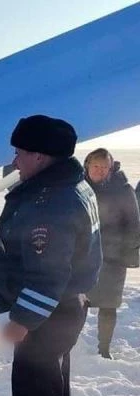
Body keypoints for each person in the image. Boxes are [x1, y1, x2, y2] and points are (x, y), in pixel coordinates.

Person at [0, 115, 101, 396]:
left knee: (34, 394)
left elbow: (47, 275)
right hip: (67, 306)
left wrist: (22, 321)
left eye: (20, 152)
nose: (15, 160)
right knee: (54, 384)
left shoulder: (51, 204)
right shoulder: (69, 183)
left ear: (40, 156)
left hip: (49, 311)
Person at [83, 150, 140, 358]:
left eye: (104, 167)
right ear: (87, 165)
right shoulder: (77, 187)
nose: (99, 171)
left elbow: (134, 225)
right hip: (82, 256)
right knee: (78, 301)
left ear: (110, 168)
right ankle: (70, 344)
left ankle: (104, 349)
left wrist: (129, 255)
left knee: (108, 305)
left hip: (113, 257)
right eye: (95, 167)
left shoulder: (123, 190)